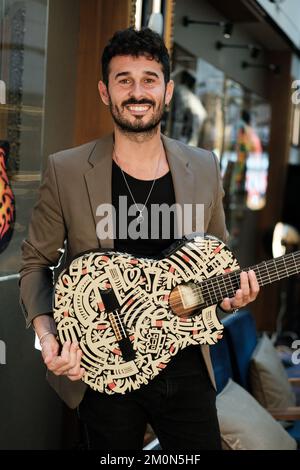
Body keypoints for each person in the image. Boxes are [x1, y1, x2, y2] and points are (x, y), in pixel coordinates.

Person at [19, 27, 259, 450]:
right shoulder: (67, 169)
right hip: (102, 369)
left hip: (186, 369)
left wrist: (230, 296)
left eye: (149, 79)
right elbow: (35, 262)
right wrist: (48, 336)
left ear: (167, 91)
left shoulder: (204, 167)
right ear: (104, 91)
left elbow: (219, 260)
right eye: (123, 80)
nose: (137, 91)